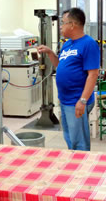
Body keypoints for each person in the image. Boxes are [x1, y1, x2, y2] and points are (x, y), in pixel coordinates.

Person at [37, 8, 100, 151]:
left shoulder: (88, 44)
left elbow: (93, 74)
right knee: (70, 137)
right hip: (65, 100)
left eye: (63, 23)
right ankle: (74, 164)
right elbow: (60, 66)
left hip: (77, 100)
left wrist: (82, 101)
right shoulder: (67, 44)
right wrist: (50, 52)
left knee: (79, 141)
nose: (60, 26)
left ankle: (82, 167)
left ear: (73, 25)